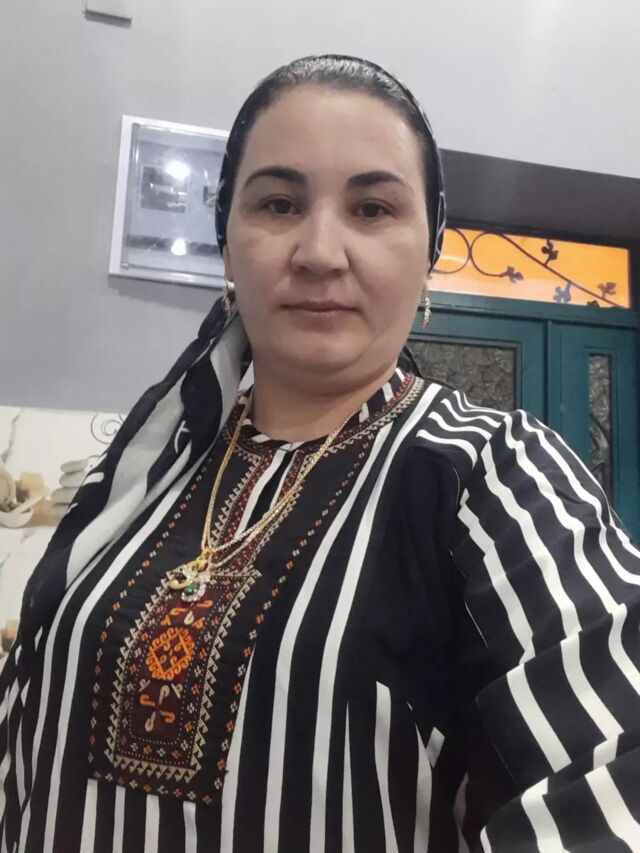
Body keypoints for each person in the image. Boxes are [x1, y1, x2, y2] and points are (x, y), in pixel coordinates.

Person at [1, 54, 639, 853]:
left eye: (372, 208)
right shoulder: (150, 464)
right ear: (226, 244)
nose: (319, 251)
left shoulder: (494, 473)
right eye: (279, 203)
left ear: (430, 250)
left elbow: (614, 785)